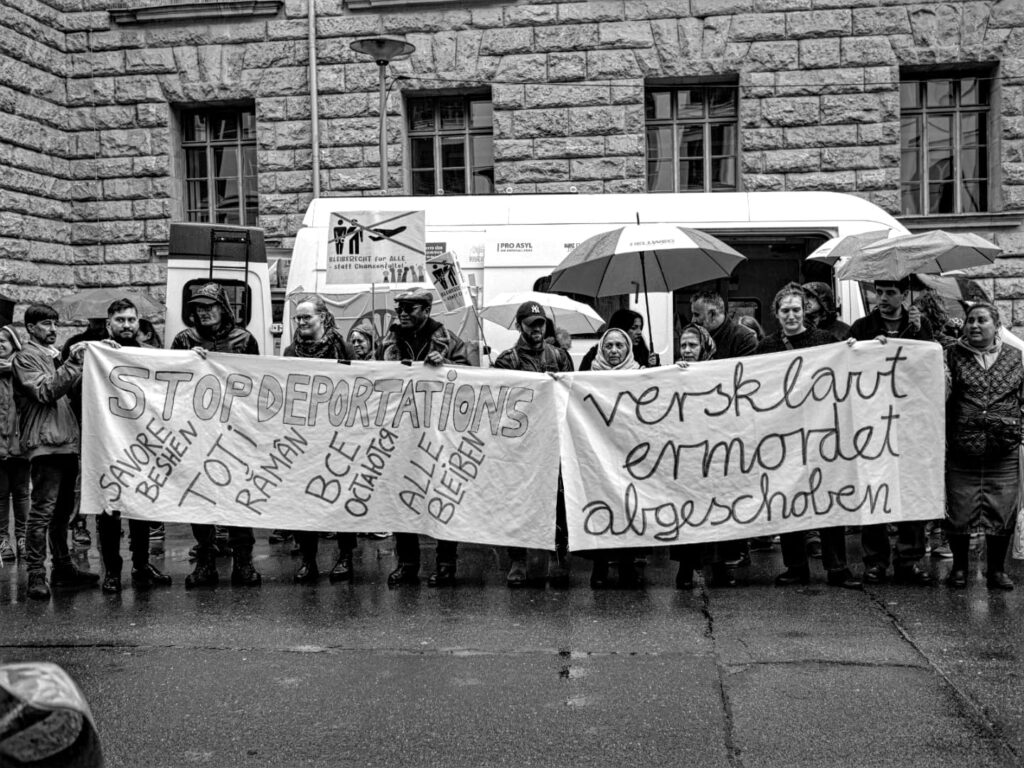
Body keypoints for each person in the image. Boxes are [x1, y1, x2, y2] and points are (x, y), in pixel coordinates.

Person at [757, 284, 862, 591]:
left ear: (805, 312)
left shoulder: (825, 341)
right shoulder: (767, 347)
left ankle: (837, 567)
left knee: (828, 499)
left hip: (821, 434)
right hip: (784, 437)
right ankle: (796, 566)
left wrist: (860, 350)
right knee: (788, 498)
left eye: (796, 309)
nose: (791, 315)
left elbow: (847, 370)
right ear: (777, 314)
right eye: (785, 310)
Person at [171, 282, 262, 588]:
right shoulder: (184, 340)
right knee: (200, 497)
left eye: (209, 306)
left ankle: (243, 562)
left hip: (235, 432)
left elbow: (256, 384)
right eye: (198, 307)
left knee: (239, 497)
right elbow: (171, 383)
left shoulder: (244, 339)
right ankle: (205, 562)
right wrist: (185, 361)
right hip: (196, 433)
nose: (204, 312)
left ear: (223, 308)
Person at [378, 287, 470, 588]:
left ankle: (446, 564)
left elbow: (471, 378)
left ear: (426, 311)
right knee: (402, 498)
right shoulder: (389, 341)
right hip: (401, 434)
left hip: (438, 435)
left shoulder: (448, 340)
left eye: (409, 307)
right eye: (399, 307)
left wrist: (447, 366)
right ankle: (407, 564)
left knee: (442, 497)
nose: (402, 312)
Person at [848, 278, 935, 586]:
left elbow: (928, 365)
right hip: (872, 423)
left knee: (911, 490)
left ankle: (909, 560)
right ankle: (875, 561)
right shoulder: (861, 327)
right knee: (873, 491)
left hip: (910, 423)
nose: (882, 298)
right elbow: (849, 364)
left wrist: (918, 331)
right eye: (879, 292)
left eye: (890, 293)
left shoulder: (919, 325)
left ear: (903, 295)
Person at [13, 304, 100, 600]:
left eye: (55, 324)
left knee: (63, 512)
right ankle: (36, 573)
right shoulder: (26, 358)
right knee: (43, 511)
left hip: (65, 443)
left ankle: (62, 567)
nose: (53, 329)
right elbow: (46, 391)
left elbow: (69, 391)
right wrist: (72, 363)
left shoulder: (53, 358)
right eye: (46, 324)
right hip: (44, 446)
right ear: (30, 328)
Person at [93, 299, 173, 593]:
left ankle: (142, 565)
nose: (126, 325)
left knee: (142, 507)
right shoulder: (97, 352)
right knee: (109, 511)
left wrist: (197, 359)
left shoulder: (152, 355)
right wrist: (89, 357)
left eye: (131, 320)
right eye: (120, 320)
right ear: (109, 323)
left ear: (138, 322)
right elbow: (77, 393)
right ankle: (112, 571)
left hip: (144, 442)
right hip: (108, 444)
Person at [492, 301, 574, 588]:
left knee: (559, 499)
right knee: (518, 498)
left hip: (555, 440)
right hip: (521, 445)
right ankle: (518, 559)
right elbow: (497, 402)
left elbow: (573, 395)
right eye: (530, 324)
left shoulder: (560, 356)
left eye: (540, 324)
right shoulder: (507, 360)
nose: (536, 329)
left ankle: (557, 555)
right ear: (520, 326)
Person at [944, 303, 1022, 589]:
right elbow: (940, 394)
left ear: (996, 326)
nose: (974, 325)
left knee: (1002, 508)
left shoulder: (1016, 357)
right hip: (962, 446)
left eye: (981, 320)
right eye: (970, 321)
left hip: (1004, 448)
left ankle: (997, 571)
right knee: (959, 507)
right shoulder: (951, 355)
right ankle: (960, 569)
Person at [284, 296, 359, 585]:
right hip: (304, 438)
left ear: (322, 318)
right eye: (298, 318)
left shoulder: (343, 348)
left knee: (339, 496)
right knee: (305, 500)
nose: (301, 322)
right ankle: (308, 559)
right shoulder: (291, 352)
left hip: (338, 435)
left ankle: (345, 556)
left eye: (307, 317)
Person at [686, 290, 759, 585]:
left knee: (732, 492)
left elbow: (744, 377)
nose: (693, 321)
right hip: (705, 431)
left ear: (714, 315)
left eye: (697, 315)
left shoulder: (743, 338)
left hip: (733, 429)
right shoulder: (699, 341)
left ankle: (736, 550)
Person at [583, 327, 648, 589]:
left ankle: (627, 563)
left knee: (629, 507)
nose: (613, 351)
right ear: (601, 348)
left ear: (628, 348)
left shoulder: (640, 374)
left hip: (629, 452)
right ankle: (600, 565)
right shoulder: (588, 376)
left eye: (619, 346)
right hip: (598, 453)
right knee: (600, 507)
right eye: (608, 346)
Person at [670, 323, 717, 588]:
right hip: (684, 455)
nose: (687, 350)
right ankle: (685, 567)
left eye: (693, 345)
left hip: (714, 453)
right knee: (686, 511)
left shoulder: (718, 371)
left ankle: (717, 566)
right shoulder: (672, 372)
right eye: (683, 345)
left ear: (704, 347)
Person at [0, 325, 28, 563]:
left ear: (14, 344)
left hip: (21, 443)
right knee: (0, 495)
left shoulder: (23, 369)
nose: (0, 344)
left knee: (21, 493)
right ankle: (2, 540)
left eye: (4, 340)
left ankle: (23, 538)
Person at [579, 309, 658, 369]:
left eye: (640, 328)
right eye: (634, 328)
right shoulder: (594, 355)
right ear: (621, 328)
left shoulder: (642, 352)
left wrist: (653, 367)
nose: (639, 332)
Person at [689, 291, 758, 359]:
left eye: (696, 315)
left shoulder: (744, 340)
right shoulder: (694, 336)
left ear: (712, 314)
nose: (693, 320)